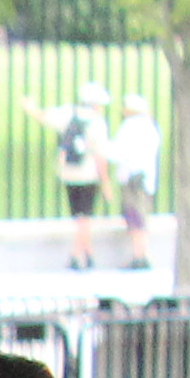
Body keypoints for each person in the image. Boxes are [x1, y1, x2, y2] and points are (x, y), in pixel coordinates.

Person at [49, 90, 108, 268]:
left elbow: (45, 116)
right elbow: (100, 155)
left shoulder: (68, 114)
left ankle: (88, 254)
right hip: (88, 174)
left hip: (69, 173)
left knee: (79, 217)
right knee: (85, 218)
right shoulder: (97, 122)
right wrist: (105, 182)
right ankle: (76, 255)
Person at [106, 90, 161, 270]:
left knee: (134, 218)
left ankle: (139, 255)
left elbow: (117, 153)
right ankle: (143, 253)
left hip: (132, 179)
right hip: (146, 180)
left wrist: (99, 147)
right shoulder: (151, 127)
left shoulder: (129, 127)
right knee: (142, 217)